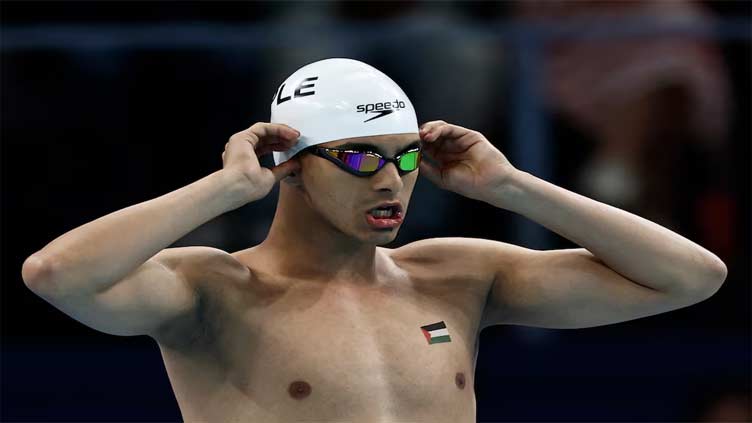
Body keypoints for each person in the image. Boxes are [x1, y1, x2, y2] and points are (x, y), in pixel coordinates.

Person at [21, 58, 728, 422]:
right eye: (360, 158)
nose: (391, 181)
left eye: (406, 157)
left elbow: (691, 276)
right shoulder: (213, 291)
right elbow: (56, 272)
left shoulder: (457, 275)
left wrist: (512, 186)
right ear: (290, 165)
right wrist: (229, 186)